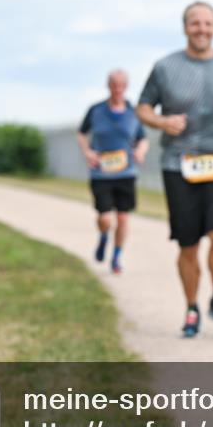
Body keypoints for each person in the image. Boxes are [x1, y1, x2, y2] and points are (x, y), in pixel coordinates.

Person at [136, 1, 213, 338]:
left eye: (208, 23)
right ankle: (191, 308)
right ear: (185, 28)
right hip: (178, 164)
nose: (202, 29)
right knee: (187, 245)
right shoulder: (165, 67)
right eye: (196, 24)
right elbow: (142, 108)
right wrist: (161, 120)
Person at [77, 70, 150, 274]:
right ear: (108, 85)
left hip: (126, 173)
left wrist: (140, 151)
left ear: (126, 86)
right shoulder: (96, 110)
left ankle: (117, 255)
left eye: (121, 85)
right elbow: (81, 134)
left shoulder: (133, 112)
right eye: (114, 85)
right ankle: (103, 236)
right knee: (105, 218)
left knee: (123, 218)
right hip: (101, 173)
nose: (117, 89)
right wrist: (87, 152)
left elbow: (142, 139)